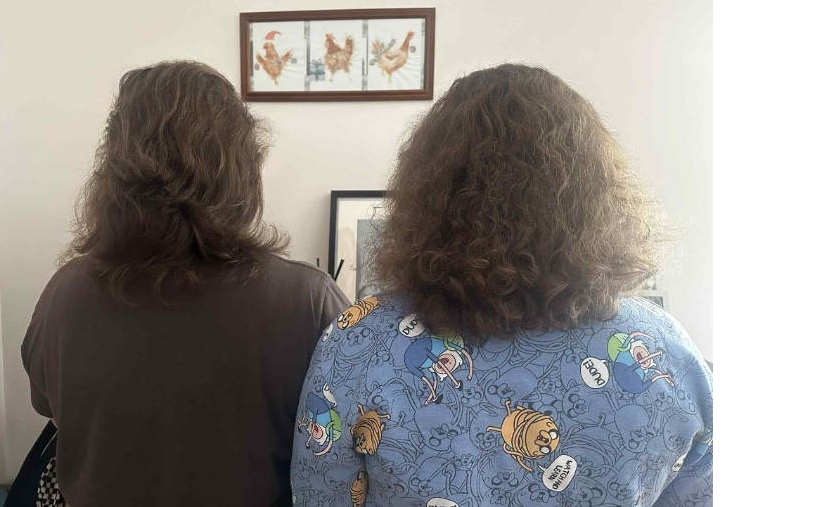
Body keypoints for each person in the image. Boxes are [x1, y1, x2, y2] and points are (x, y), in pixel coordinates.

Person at [290, 63, 713, 506]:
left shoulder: (357, 343)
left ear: (427, 194)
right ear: (599, 194)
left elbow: (321, 496)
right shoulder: (669, 353)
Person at [21, 60, 349, 507]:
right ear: (243, 166)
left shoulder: (65, 293)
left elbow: (57, 417)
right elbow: (345, 446)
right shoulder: (307, 301)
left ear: (113, 167)